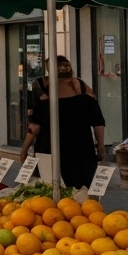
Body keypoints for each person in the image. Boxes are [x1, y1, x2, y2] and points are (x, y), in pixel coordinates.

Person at [18, 56, 106, 188]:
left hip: (49, 150)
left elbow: (34, 128)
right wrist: (101, 146)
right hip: (82, 150)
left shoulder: (43, 93)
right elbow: (98, 123)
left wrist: (24, 150)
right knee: (82, 191)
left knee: (50, 188)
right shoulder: (83, 90)